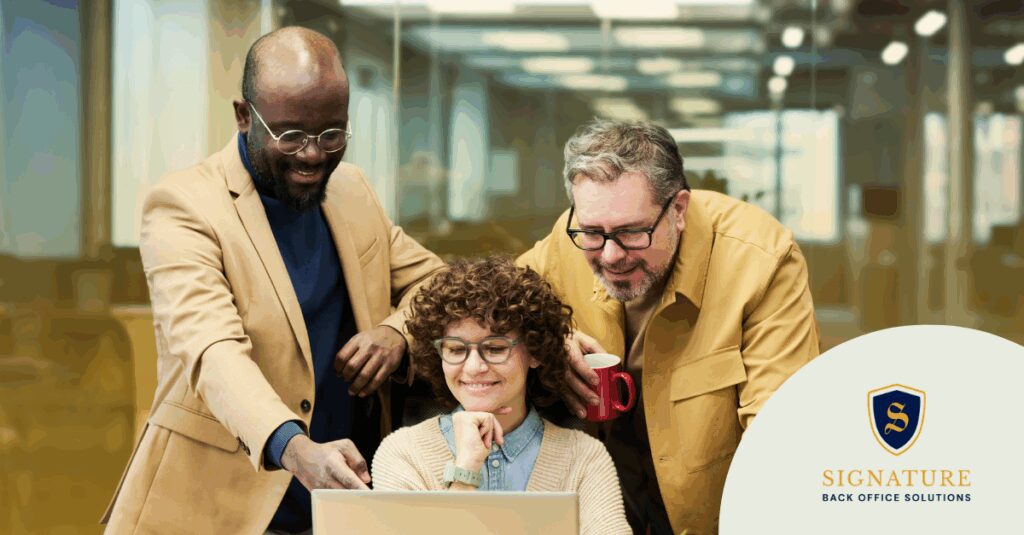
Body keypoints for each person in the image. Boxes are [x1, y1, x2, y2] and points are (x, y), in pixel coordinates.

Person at [101, 27, 445, 534]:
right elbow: (212, 350)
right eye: (290, 136)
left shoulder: (350, 190)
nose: (312, 155)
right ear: (244, 116)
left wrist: (398, 332)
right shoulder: (183, 207)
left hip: (343, 503)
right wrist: (295, 448)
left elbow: (436, 284)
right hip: (219, 507)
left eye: (332, 135)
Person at [517, 119, 820, 535]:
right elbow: (490, 307)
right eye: (592, 233)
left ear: (678, 210)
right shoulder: (567, 239)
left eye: (631, 233)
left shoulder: (762, 260)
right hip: (604, 503)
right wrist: (553, 336)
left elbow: (778, 442)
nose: (609, 255)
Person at [371, 257, 631, 535]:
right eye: (456, 350)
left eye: (495, 349)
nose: (474, 368)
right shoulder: (403, 453)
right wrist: (465, 471)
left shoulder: (584, 457)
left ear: (535, 352)